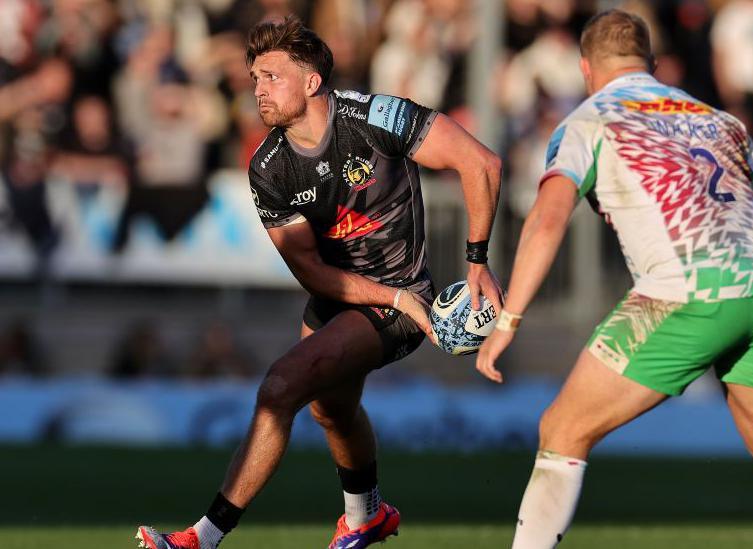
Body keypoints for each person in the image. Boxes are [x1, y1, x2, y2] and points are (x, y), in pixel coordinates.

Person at [476, 10, 753, 549]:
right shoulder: (718, 119)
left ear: (586, 69)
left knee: (561, 431)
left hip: (684, 293)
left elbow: (548, 217)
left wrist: (509, 319)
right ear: (651, 65)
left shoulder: (589, 120)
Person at [136, 16, 503, 549]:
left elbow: (481, 162)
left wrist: (475, 263)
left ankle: (203, 537)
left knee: (280, 387)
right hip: (346, 296)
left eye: (271, 77)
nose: (258, 90)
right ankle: (366, 518)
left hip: (404, 299)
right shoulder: (269, 167)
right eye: (254, 78)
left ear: (311, 82)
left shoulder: (378, 117)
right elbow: (310, 271)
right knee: (330, 409)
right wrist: (392, 296)